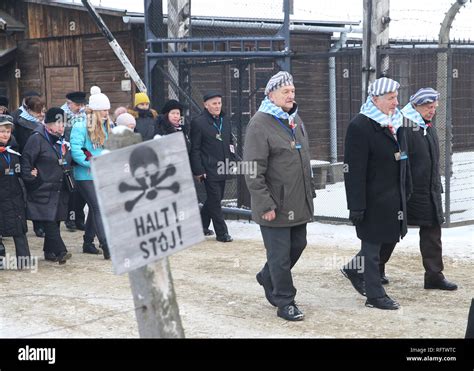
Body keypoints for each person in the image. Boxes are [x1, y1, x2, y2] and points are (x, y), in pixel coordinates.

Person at [243, 71, 315, 321]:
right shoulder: (259, 123)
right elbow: (252, 170)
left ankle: (267, 276)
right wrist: (265, 204)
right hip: (274, 204)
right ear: (270, 94)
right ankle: (285, 301)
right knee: (280, 256)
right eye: (285, 91)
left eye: (293, 91)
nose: (291, 95)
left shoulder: (294, 119)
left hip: (298, 201)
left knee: (298, 245)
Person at [379, 88, 457, 291]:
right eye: (429, 107)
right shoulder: (404, 125)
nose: (433, 111)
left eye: (434, 107)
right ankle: (372, 269)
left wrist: (435, 184)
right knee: (390, 230)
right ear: (418, 105)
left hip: (428, 189)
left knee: (432, 231)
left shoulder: (426, 126)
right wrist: (403, 188)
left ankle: (434, 275)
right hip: (408, 191)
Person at [341, 77, 409, 310]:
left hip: (394, 196)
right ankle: (375, 295)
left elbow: (403, 158)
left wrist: (405, 187)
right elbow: (353, 171)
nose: (396, 102)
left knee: (388, 239)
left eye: (396, 97)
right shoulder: (360, 126)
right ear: (375, 99)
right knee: (372, 247)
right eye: (391, 98)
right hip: (371, 200)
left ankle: (353, 268)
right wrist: (356, 205)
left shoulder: (396, 122)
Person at [21, 108, 73, 265]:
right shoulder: (37, 138)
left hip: (58, 187)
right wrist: (32, 180)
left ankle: (49, 252)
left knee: (55, 219)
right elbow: (26, 161)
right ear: (48, 124)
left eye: (63, 124)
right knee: (49, 221)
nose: (62, 127)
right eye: (59, 124)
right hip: (42, 187)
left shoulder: (61, 139)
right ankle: (61, 250)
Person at [70, 86, 111, 259]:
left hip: (100, 172)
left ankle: (88, 242)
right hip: (84, 174)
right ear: (94, 110)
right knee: (98, 206)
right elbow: (77, 149)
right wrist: (91, 163)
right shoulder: (80, 125)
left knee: (96, 208)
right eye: (103, 110)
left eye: (108, 110)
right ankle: (106, 244)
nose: (106, 113)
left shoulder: (105, 125)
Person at [190, 91, 233, 243]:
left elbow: (230, 142)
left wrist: (231, 160)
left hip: (223, 166)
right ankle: (222, 233)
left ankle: (200, 226)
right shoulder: (198, 122)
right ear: (206, 105)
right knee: (215, 201)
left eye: (219, 103)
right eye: (214, 103)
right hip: (208, 169)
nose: (217, 106)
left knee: (215, 198)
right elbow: (195, 149)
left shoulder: (225, 120)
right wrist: (199, 170)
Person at [0, 114, 31, 269]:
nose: (5, 134)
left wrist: (30, 174)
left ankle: (24, 261)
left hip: (15, 195)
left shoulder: (14, 151)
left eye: (8, 131)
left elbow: (20, 173)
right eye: (2, 131)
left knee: (19, 229)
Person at [13, 95, 46, 238]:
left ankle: (40, 225)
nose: (41, 114)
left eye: (42, 111)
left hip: (38, 162)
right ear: (29, 110)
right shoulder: (18, 120)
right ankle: (29, 225)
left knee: (37, 194)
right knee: (26, 195)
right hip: (24, 162)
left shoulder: (41, 123)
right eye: (38, 112)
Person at [62, 91, 87, 232]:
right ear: (68, 103)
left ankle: (79, 218)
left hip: (83, 152)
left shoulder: (85, 115)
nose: (79, 107)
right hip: (68, 154)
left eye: (81, 104)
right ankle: (70, 219)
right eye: (76, 105)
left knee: (82, 187)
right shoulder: (61, 115)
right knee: (71, 188)